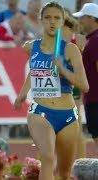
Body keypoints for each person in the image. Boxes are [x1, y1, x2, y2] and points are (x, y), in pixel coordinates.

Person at [14, 2, 89, 180]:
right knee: (47, 157)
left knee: (64, 173)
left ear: (62, 22)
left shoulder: (71, 50)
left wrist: (63, 69)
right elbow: (35, 71)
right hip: (40, 111)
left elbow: (84, 85)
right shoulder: (30, 47)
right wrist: (23, 92)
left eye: (57, 18)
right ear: (41, 20)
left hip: (68, 116)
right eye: (48, 17)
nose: (52, 22)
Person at [73, 3, 98, 155]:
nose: (80, 21)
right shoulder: (92, 40)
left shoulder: (95, 40)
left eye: (82, 17)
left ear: (91, 19)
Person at [62, 9, 87, 158]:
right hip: (57, 86)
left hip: (71, 85)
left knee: (75, 125)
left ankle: (80, 162)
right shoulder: (55, 39)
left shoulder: (76, 40)